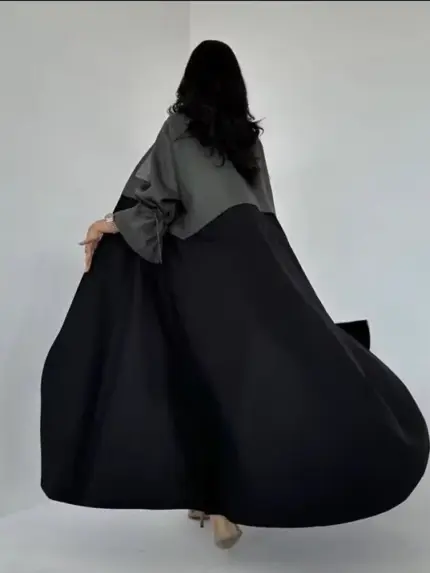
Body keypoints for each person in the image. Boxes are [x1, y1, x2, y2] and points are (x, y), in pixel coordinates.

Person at [40, 40, 429, 550]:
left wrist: (106, 223)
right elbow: (262, 209)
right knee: (253, 380)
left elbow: (156, 205)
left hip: (201, 269)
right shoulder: (248, 141)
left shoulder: (179, 128)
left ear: (190, 81)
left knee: (195, 378)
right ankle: (215, 500)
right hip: (258, 263)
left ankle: (217, 505)